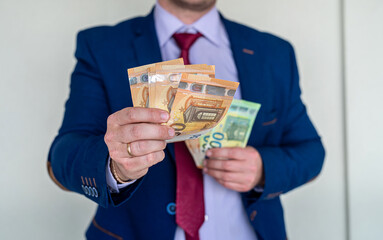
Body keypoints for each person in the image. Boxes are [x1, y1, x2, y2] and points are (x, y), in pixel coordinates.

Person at [47, 0, 325, 239]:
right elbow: (60, 159)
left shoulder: (273, 53)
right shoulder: (101, 46)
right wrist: (116, 167)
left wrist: (264, 169)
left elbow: (311, 151)